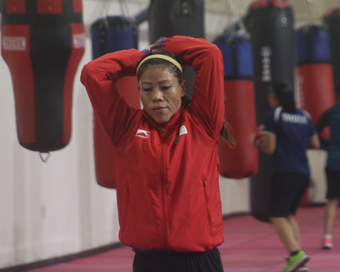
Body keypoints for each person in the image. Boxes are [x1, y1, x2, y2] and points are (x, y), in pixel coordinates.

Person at [81, 35, 233, 272]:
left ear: (182, 88)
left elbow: (210, 54)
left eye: (165, 87)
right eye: (147, 89)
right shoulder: (125, 127)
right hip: (149, 261)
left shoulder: (203, 122)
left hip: (200, 260)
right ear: (139, 90)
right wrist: (141, 57)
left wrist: (163, 47)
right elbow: (93, 73)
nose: (156, 97)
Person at [254, 80, 320, 272]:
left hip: (284, 171)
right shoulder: (304, 115)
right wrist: (295, 142)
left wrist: (256, 142)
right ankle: (298, 258)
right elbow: (315, 144)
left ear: (274, 97)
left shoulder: (274, 115)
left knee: (276, 216)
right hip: (303, 172)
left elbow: (269, 147)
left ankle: (295, 254)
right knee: (288, 215)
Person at [315, 85, 340, 250]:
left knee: (332, 200)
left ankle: (327, 237)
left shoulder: (330, 112)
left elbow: (313, 132)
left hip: (333, 161)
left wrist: (326, 144)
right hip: (333, 160)